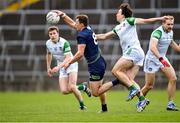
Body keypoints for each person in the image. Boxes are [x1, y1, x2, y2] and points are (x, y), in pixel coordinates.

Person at [95, 3, 168, 112]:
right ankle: (142, 99)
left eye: (118, 12)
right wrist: (92, 36)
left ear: (123, 15)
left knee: (115, 71)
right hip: (137, 54)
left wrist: (160, 18)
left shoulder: (129, 21)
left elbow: (145, 21)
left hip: (133, 51)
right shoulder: (118, 28)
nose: (116, 14)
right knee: (128, 79)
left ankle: (133, 90)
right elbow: (105, 36)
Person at [52, 10, 108, 112]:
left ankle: (117, 81)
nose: (75, 23)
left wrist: (69, 62)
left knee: (95, 92)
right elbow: (72, 24)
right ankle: (104, 108)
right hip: (100, 60)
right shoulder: (88, 29)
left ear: (81, 24)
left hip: (95, 64)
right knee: (100, 87)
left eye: (77, 22)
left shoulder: (81, 36)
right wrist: (63, 15)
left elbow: (80, 54)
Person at [141, 16, 179, 111]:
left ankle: (170, 103)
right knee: (149, 86)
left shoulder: (170, 32)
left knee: (173, 78)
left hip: (162, 58)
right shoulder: (157, 32)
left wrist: (178, 49)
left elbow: (171, 42)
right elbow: (152, 47)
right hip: (152, 60)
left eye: (172, 24)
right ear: (163, 23)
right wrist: (161, 59)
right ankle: (140, 101)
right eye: (168, 24)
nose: (170, 26)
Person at [46, 26, 88, 110]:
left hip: (71, 64)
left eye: (54, 33)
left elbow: (68, 57)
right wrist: (48, 68)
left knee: (72, 86)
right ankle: (83, 87)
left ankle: (82, 105)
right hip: (61, 66)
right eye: (50, 34)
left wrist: (58, 67)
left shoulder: (64, 42)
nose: (52, 35)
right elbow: (49, 54)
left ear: (58, 33)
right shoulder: (48, 43)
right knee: (64, 91)